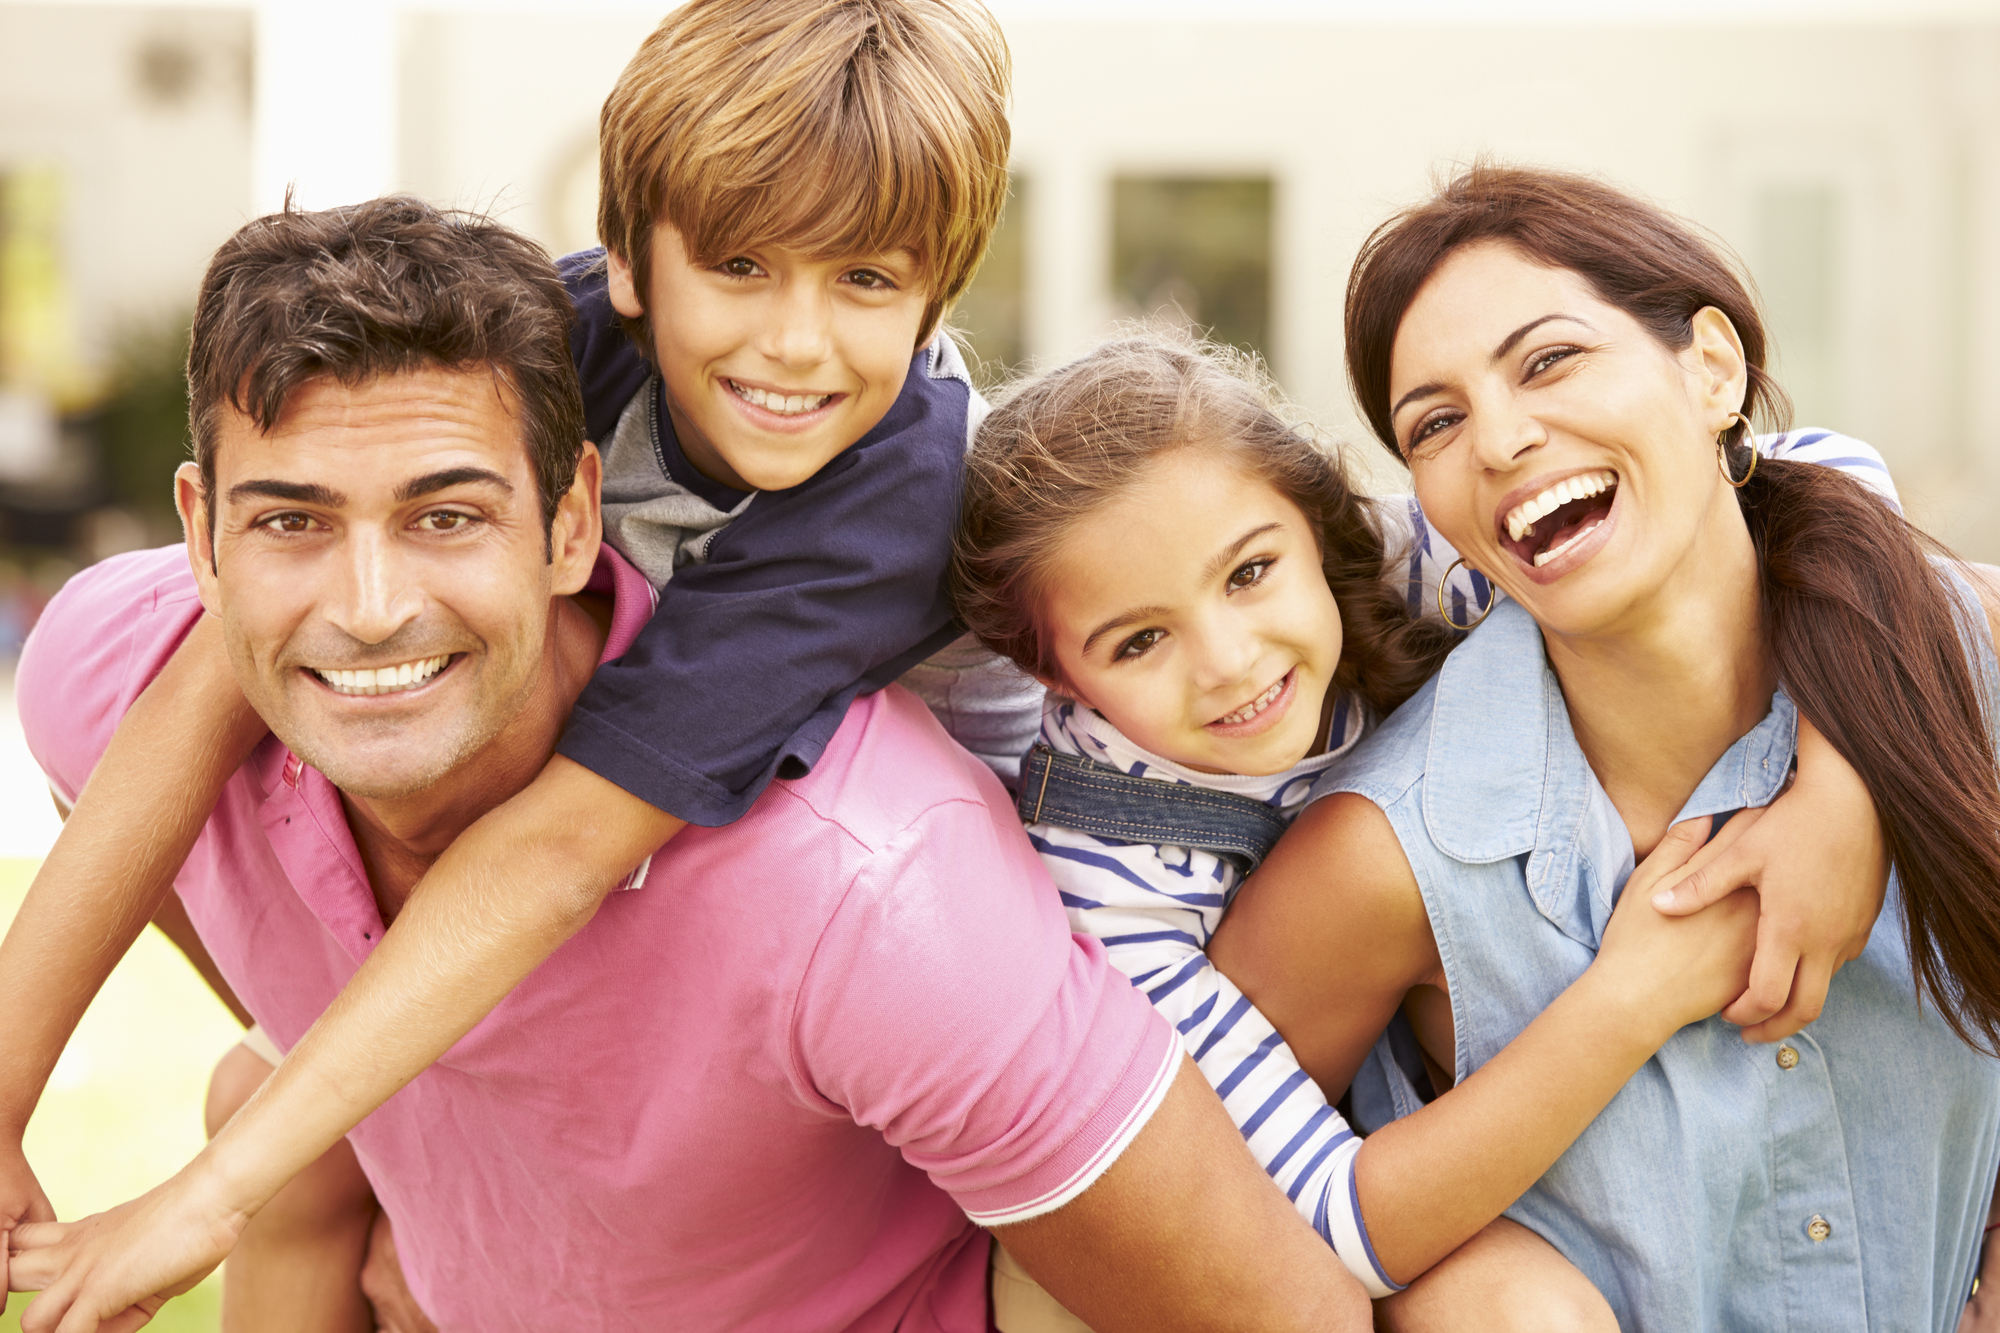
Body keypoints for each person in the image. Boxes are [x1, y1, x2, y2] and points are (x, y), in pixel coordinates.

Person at [5, 196, 1369, 1333]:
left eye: (448, 515)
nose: (368, 604)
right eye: (292, 521)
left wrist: (211, 1196)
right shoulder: (102, 685)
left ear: (570, 518)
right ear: (201, 534)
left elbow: (1286, 1315)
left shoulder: (875, 896)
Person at [0, 0, 1043, 1325]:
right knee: (273, 1109)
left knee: (281, 1140)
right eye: (739, 266)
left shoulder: (890, 505)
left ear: (935, 293)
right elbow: (206, 680)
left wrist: (196, 1202)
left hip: (957, 923)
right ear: (626, 262)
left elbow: (561, 849)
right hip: (657, 886)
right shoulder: (553, 333)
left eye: (866, 281)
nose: (794, 341)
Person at [950, 331, 1900, 1327]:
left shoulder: (1391, 559)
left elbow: (1822, 473)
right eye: (1138, 641)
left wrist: (1841, 786)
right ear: (1052, 673)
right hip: (1236, 1218)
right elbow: (1322, 1221)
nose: (1228, 659)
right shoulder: (1105, 881)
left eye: (1248, 573)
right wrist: (1635, 994)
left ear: (1313, 528)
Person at [1204, 163, 2000, 1330]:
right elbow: (1188, 1212)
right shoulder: (1394, 853)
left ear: (1711, 369)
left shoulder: (1961, 661)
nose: (1501, 438)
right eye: (1435, 421)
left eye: (1548, 359)